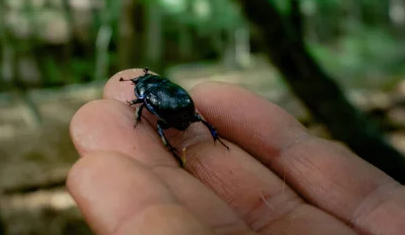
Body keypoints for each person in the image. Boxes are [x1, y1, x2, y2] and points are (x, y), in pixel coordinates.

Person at [66, 68, 405, 234]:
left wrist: (141, 112)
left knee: (157, 125)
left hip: (173, 114)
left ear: (139, 89)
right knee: (189, 118)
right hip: (184, 109)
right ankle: (210, 136)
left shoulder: (144, 93)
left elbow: (146, 106)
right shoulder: (159, 87)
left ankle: (185, 143)